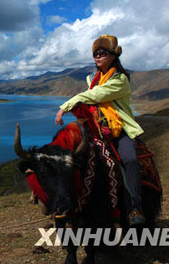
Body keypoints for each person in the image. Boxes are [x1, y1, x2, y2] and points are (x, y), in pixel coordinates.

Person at [55, 34, 145, 226]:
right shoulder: (92, 79)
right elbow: (92, 96)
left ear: (113, 56)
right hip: (97, 130)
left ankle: (135, 207)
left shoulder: (120, 80)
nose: (97, 56)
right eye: (95, 53)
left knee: (130, 160)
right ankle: (66, 208)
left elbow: (94, 96)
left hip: (119, 131)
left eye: (102, 53)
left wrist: (65, 106)